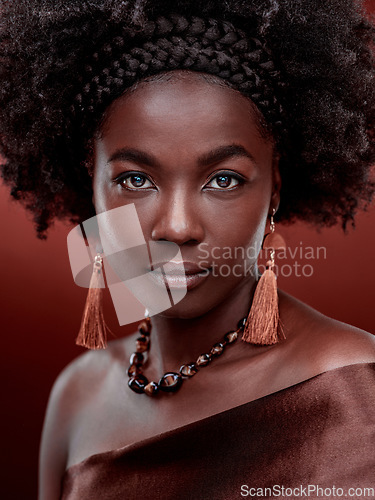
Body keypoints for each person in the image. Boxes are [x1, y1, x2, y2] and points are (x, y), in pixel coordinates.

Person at [1, 0, 375, 499]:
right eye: (135, 179)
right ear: (88, 188)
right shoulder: (79, 394)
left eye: (223, 179)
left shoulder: (356, 393)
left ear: (275, 190)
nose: (177, 227)